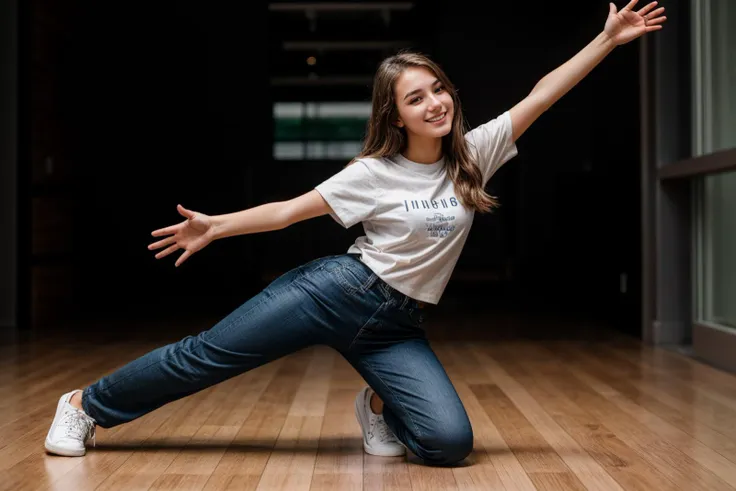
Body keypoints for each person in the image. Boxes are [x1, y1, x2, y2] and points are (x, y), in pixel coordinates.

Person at [45, 1, 665, 466]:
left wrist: (607, 40)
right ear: (395, 114)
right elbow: (289, 213)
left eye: (439, 89)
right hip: (333, 293)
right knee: (205, 355)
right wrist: (216, 227)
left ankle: (375, 405)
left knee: (448, 445)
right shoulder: (373, 172)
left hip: (397, 324)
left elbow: (542, 94)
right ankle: (85, 406)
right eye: (416, 97)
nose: (435, 104)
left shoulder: (475, 153)